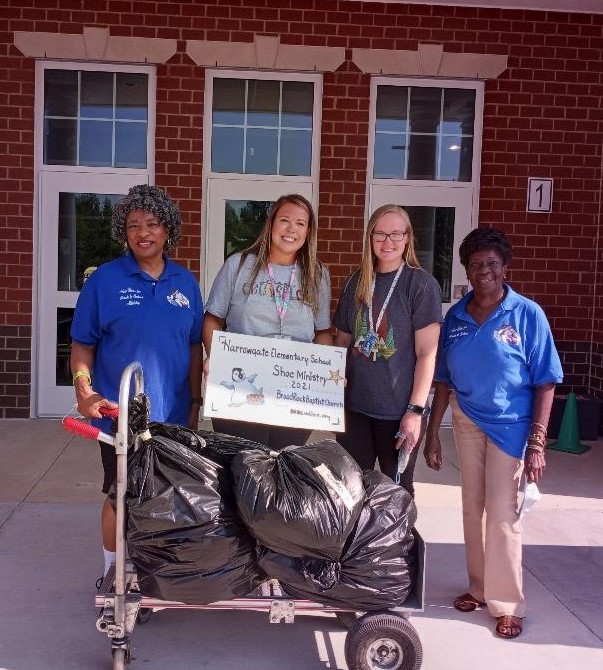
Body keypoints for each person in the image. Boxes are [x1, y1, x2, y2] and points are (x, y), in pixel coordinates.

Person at [423, 227, 563, 639]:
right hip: (466, 420)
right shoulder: (457, 315)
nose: (484, 270)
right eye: (476, 263)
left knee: (503, 516)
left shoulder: (527, 313)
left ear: (505, 267)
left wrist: (537, 443)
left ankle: (508, 603)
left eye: (492, 263)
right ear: (466, 268)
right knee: (472, 507)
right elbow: (443, 380)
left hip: (511, 428)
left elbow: (546, 382)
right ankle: (479, 587)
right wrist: (434, 435)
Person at [70, 184, 204, 578]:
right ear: (123, 232)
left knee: (164, 495)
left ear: (168, 230)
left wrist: (195, 403)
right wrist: (84, 390)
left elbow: (194, 346)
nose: (143, 232)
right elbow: (82, 345)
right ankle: (113, 571)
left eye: (152, 223)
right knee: (121, 494)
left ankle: (151, 568)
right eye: (133, 225)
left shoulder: (186, 283)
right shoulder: (105, 281)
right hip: (119, 413)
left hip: (173, 414)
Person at [202, 193, 332, 449]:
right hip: (241, 386)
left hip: (293, 389)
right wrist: (213, 356)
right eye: (284, 220)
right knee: (243, 465)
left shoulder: (317, 275)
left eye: (300, 223)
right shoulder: (238, 265)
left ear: (308, 231)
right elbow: (212, 320)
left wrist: (327, 372)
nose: (291, 229)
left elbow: (323, 333)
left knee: (282, 466)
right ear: (271, 224)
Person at [333, 204, 442, 496]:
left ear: (408, 238)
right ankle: (359, 543)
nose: (388, 241)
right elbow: (341, 343)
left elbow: (427, 354)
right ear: (370, 237)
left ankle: (402, 544)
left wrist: (415, 412)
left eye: (396, 233)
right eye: (380, 233)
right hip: (353, 408)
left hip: (398, 412)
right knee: (353, 490)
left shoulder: (420, 285)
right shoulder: (355, 282)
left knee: (396, 492)